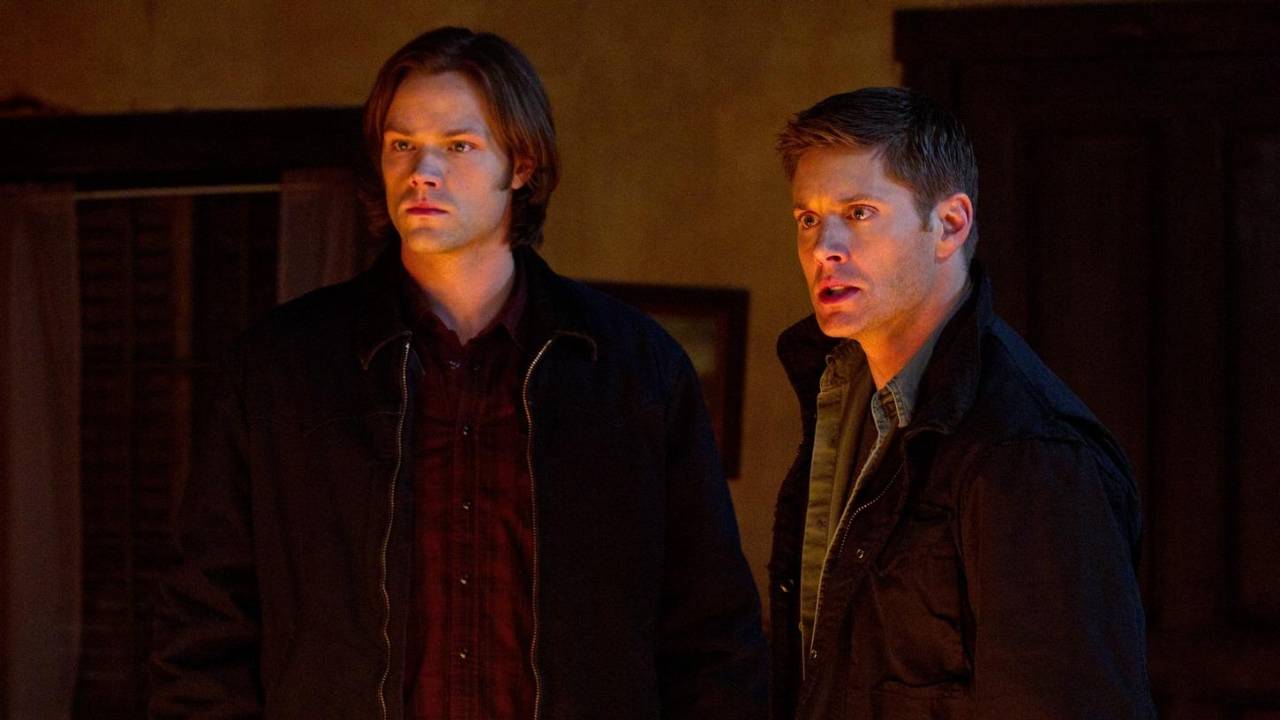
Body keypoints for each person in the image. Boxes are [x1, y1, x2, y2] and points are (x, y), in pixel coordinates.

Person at [150, 26, 767, 720]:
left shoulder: (636, 370)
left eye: (458, 145)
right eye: (401, 145)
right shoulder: (280, 369)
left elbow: (712, 633)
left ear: (523, 163)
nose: (422, 171)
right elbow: (205, 627)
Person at [767, 87, 1155, 719]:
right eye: (807, 219)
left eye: (859, 212)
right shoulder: (845, 403)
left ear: (949, 225)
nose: (822, 247)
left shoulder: (1027, 452)